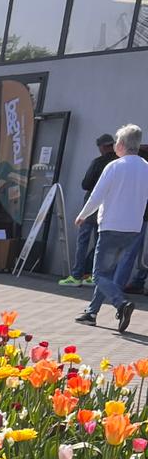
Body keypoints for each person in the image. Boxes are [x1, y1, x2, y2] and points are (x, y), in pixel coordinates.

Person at [75, 123, 148, 333]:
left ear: (122, 144)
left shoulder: (115, 166)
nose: (115, 145)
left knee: (98, 275)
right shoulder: (145, 166)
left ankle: (121, 303)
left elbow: (97, 194)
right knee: (107, 273)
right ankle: (91, 312)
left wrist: (82, 216)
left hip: (111, 226)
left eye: (116, 141)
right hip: (133, 229)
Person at [61, 132, 118, 285]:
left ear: (103, 147)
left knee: (83, 241)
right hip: (109, 208)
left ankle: (77, 275)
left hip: (92, 207)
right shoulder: (119, 163)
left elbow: (85, 184)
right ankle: (94, 276)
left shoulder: (98, 162)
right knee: (100, 243)